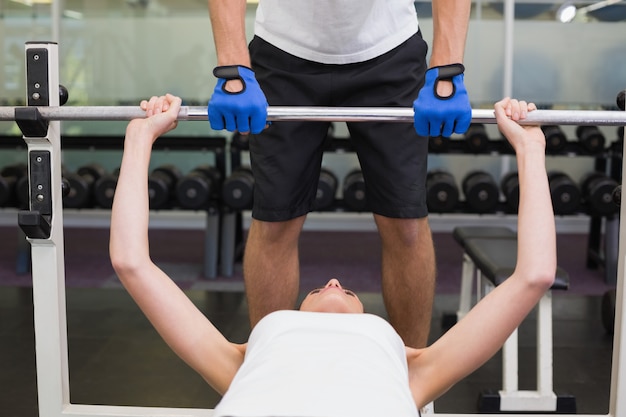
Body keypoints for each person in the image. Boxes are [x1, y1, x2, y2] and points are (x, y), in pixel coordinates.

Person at [110, 94, 554, 417]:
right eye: (346, 290)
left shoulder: (242, 364)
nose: (335, 282)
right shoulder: (411, 371)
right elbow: (532, 276)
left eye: (320, 286)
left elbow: (133, 263)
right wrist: (529, 152)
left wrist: (140, 141)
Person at [206, 0, 473, 348]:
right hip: (283, 50)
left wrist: (447, 66)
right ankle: (267, 367)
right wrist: (232, 67)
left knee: (406, 222)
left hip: (389, 47)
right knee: (275, 221)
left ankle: (414, 379)